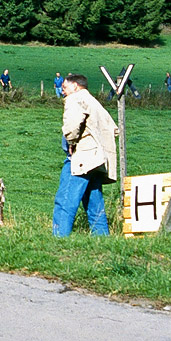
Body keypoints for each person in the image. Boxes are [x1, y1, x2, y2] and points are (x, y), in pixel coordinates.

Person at [52, 73, 119, 237]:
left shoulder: (75, 99)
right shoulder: (94, 102)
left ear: (75, 86)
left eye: (65, 87)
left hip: (81, 157)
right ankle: (101, 239)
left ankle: (59, 239)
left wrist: (71, 141)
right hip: (97, 160)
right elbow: (114, 129)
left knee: (65, 200)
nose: (63, 91)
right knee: (95, 204)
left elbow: (72, 125)